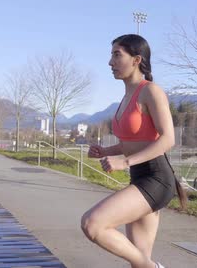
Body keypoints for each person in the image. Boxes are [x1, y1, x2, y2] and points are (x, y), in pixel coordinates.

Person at [81, 34, 187, 268]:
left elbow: (168, 139)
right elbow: (132, 141)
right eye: (111, 56)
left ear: (137, 59)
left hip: (156, 178)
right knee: (137, 260)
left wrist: (124, 162)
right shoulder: (126, 97)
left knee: (92, 224)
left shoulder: (151, 91)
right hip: (140, 177)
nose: (110, 62)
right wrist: (106, 151)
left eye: (117, 55)